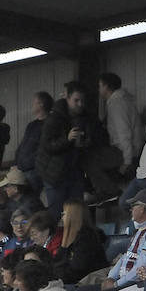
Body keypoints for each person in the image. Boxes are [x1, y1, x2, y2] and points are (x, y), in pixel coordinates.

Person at [76, 189, 146, 291]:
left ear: (142, 209)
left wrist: (116, 284)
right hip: (121, 280)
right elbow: (125, 257)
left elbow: (142, 266)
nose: (131, 209)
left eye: (134, 206)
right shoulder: (140, 229)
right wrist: (111, 277)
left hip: (136, 283)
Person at [38, 83, 102, 215]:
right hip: (54, 173)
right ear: (67, 98)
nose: (80, 104)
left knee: (76, 212)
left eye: (82, 101)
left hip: (74, 171)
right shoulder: (54, 118)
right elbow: (47, 146)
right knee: (57, 212)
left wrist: (87, 140)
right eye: (76, 100)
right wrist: (66, 140)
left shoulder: (87, 118)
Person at [98, 71, 140, 177]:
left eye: (100, 86)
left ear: (106, 86)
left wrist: (127, 162)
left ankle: (107, 191)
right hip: (131, 149)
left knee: (93, 159)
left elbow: (124, 132)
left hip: (125, 152)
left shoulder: (117, 103)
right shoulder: (123, 100)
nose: (99, 90)